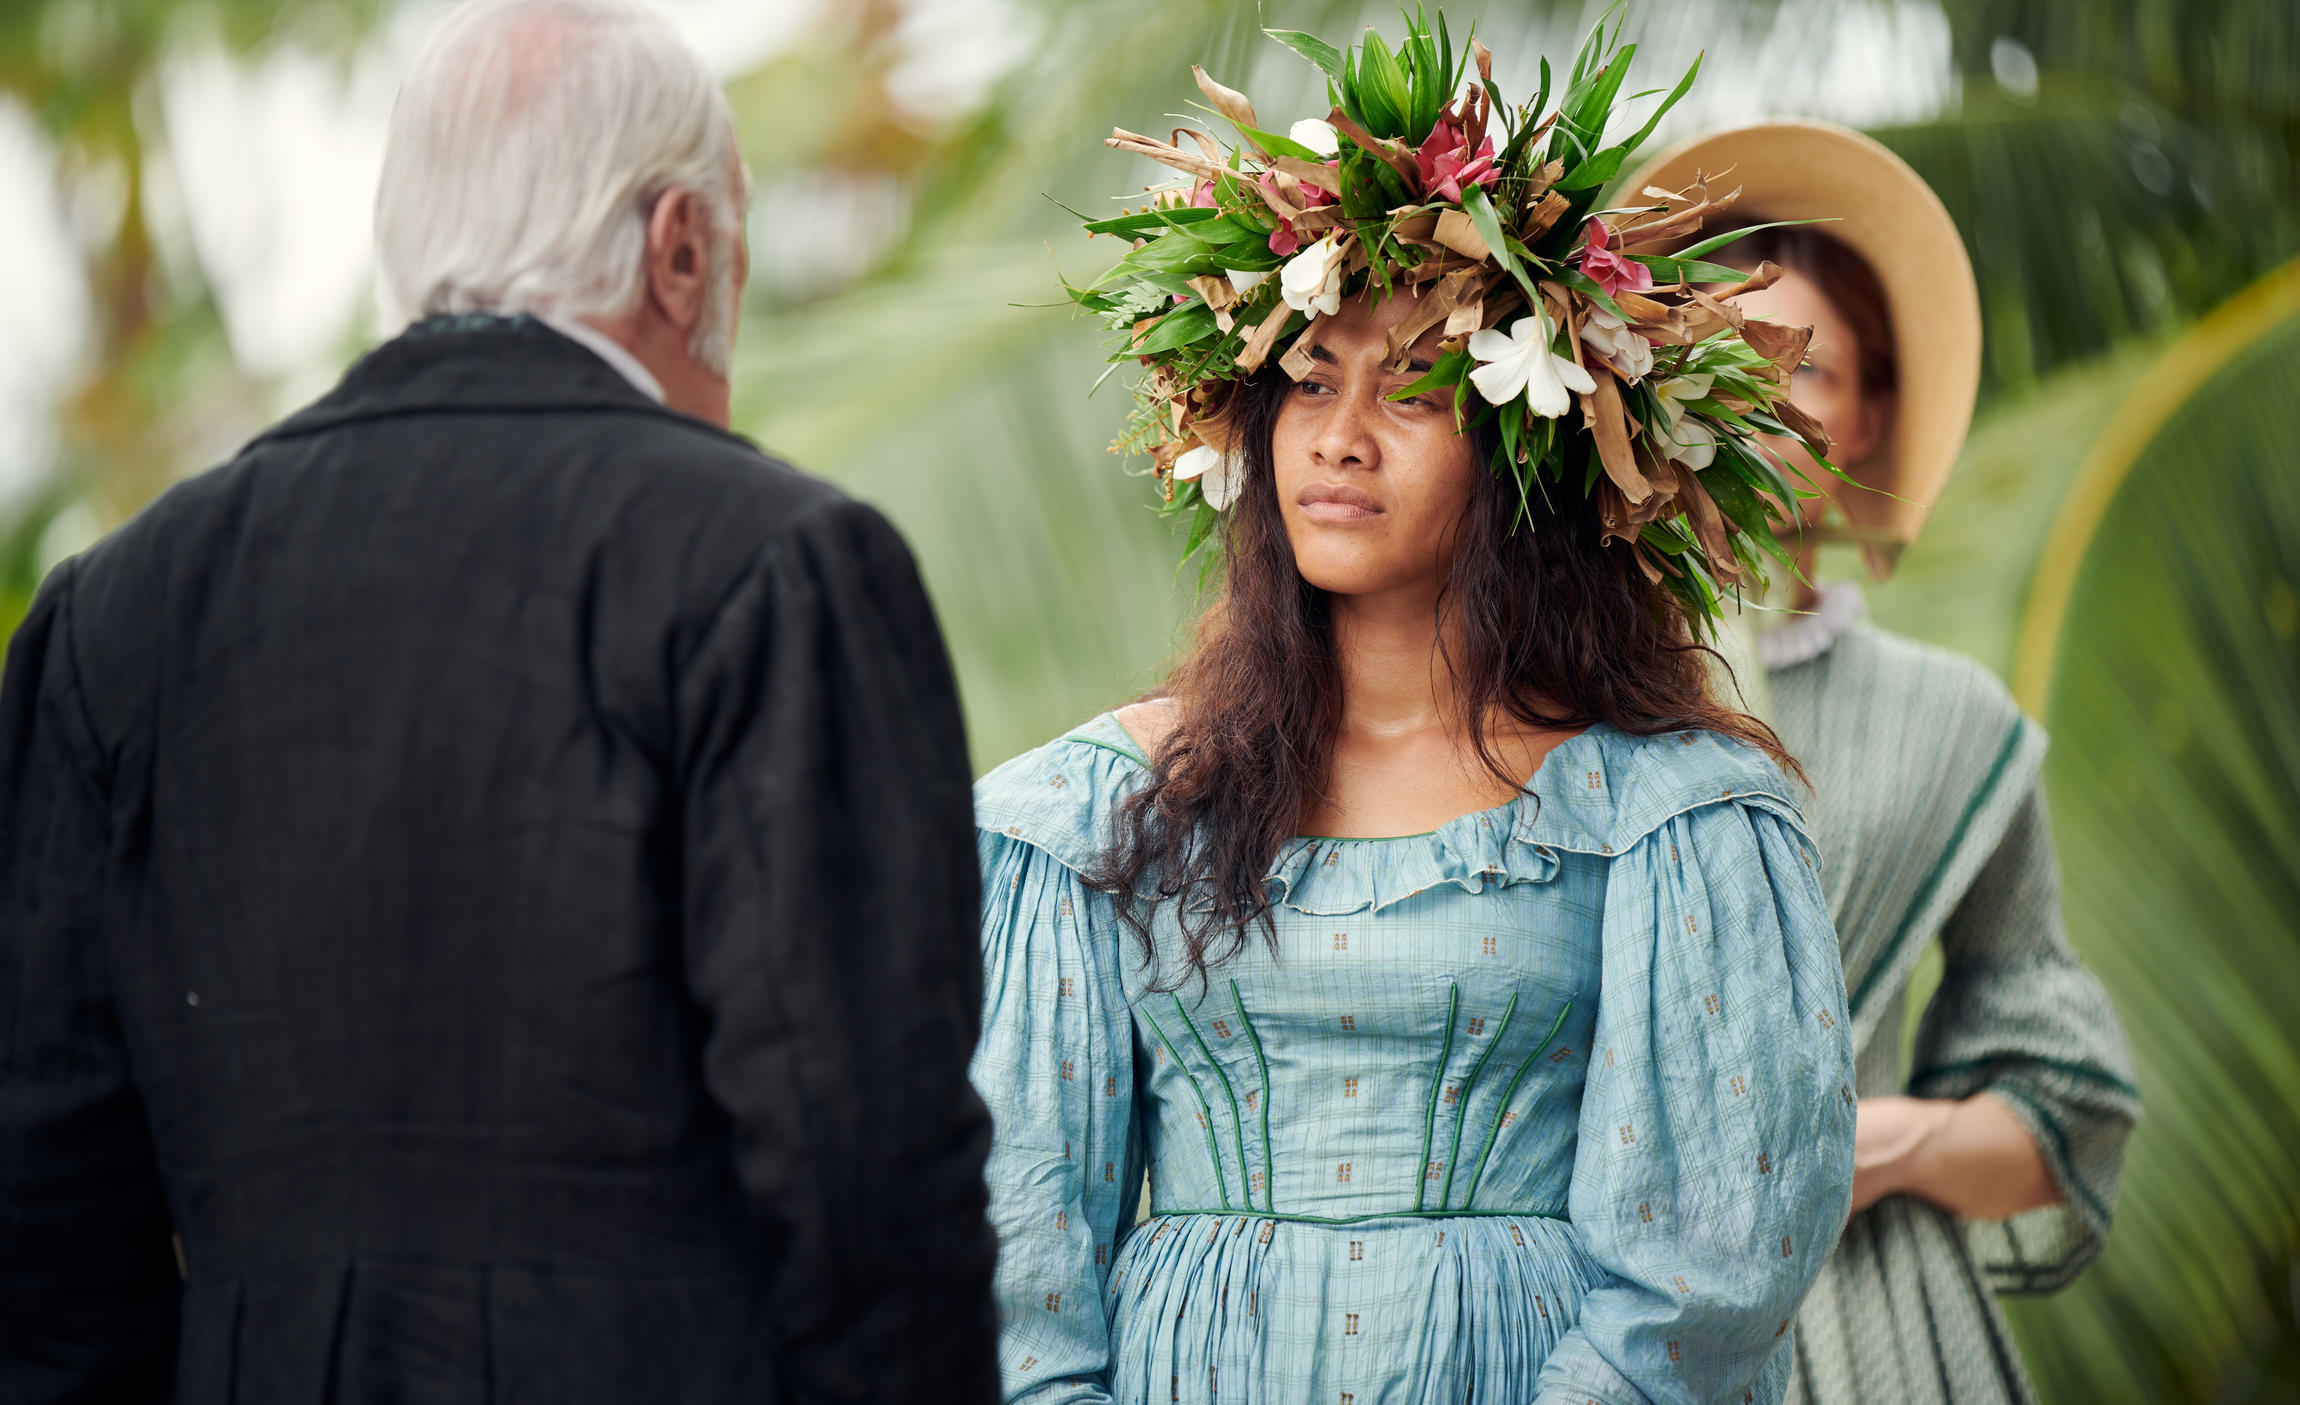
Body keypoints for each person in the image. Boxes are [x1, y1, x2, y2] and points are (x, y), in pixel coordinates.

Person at [0, 2, 999, 1400]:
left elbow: (43, 1241)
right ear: (684, 246)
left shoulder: (111, 613)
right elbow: (868, 1187)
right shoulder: (773, 566)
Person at [969, 19, 1856, 1403]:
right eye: (1310, 379)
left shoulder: (1668, 819)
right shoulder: (1093, 815)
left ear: (1528, 439)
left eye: (1417, 388)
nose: (1340, 434)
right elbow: (1017, 1264)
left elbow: (1709, 1275)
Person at [1625, 121, 2140, 1405]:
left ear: (1871, 419)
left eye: (1812, 370)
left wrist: (1888, 1140)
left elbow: (2060, 1102)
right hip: (1575, 1300)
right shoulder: (1531, 692)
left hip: (1868, 1331)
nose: (1762, 397)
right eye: (1721, 353)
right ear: (1632, 381)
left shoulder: (1950, 723)